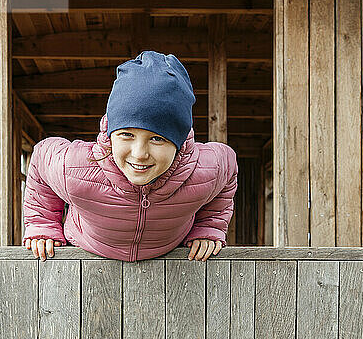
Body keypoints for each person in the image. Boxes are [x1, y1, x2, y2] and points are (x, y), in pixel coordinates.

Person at [22, 50, 238, 263]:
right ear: (110, 134)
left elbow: (228, 167)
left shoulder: (207, 169)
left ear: (179, 143)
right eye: (127, 134)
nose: (139, 154)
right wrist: (42, 225)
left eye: (157, 139)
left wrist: (208, 226)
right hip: (87, 246)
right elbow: (41, 157)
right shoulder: (75, 167)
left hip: (167, 253)